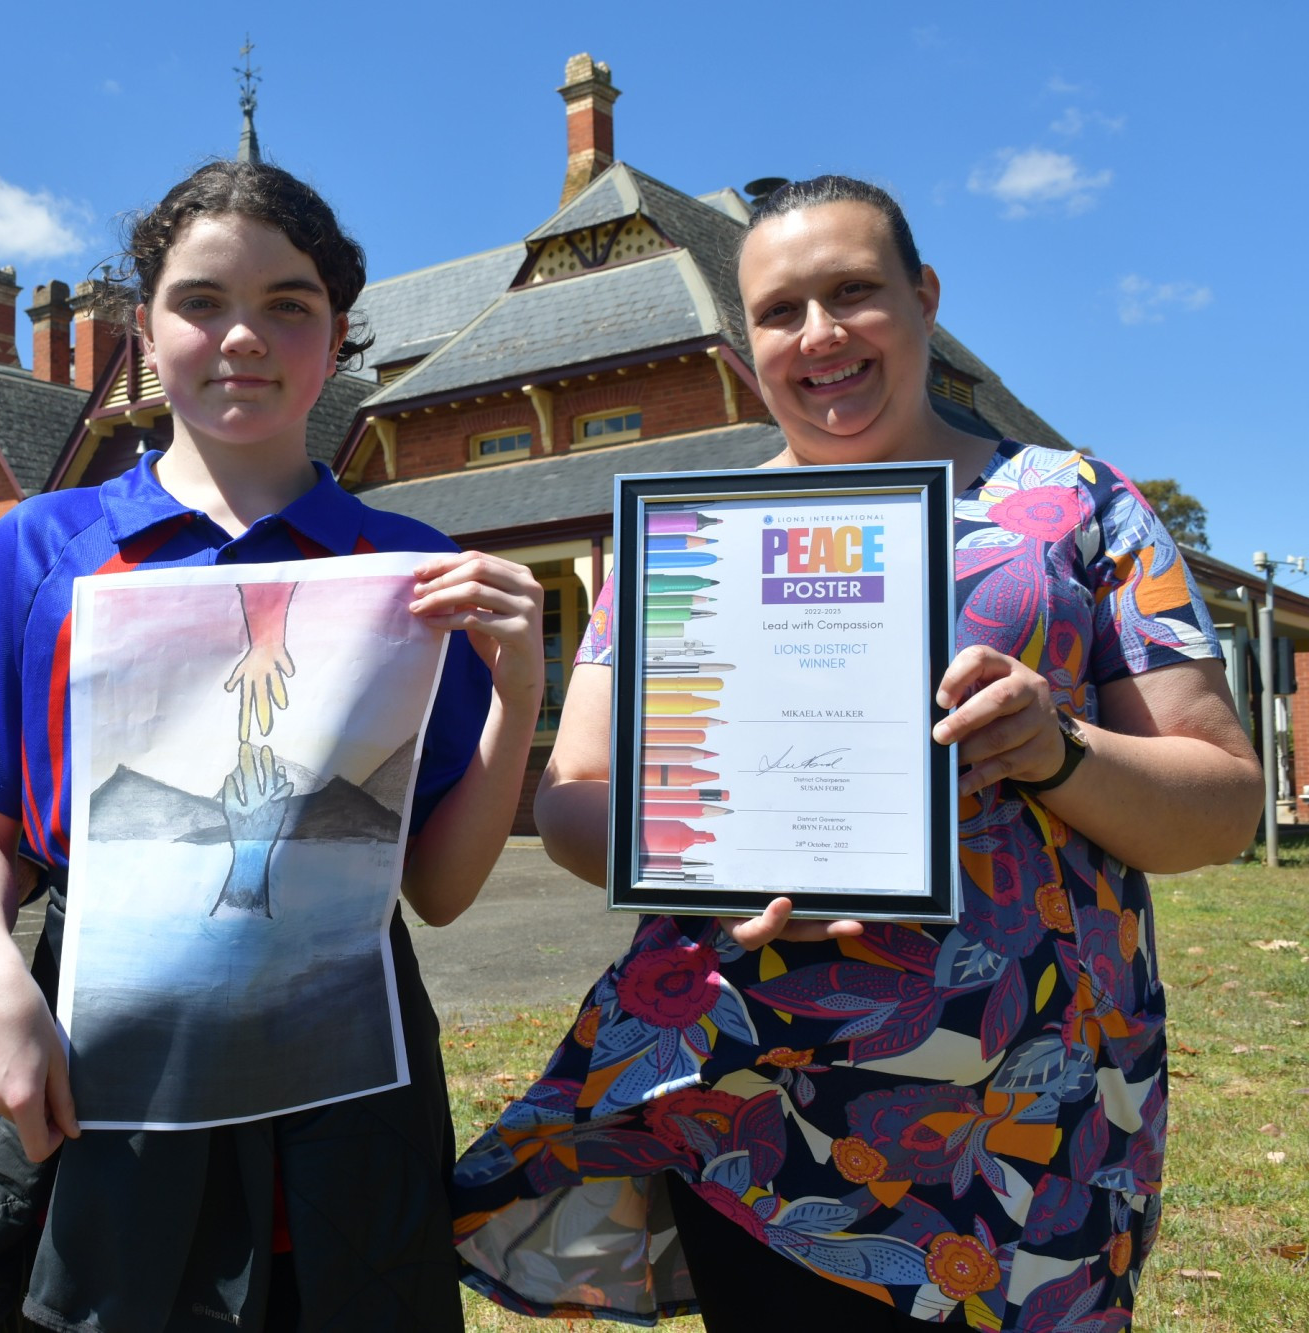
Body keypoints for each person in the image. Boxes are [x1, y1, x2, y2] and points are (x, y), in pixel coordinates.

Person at [450, 177, 1263, 1331]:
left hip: (1027, 1108)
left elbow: (1222, 802)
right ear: (744, 351)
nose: (819, 334)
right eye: (781, 310)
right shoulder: (686, 544)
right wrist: (706, 848)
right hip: (754, 1102)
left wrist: (1058, 746)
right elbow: (574, 795)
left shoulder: (1071, 506)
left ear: (922, 298)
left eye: (852, 293)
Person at [0, 159, 544, 1331]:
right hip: (102, 1068)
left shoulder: (405, 569)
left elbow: (438, 893)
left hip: (348, 1084)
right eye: (200, 301)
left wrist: (514, 695)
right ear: (142, 330)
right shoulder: (39, 551)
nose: (242, 336)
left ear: (336, 335)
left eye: (286, 305)